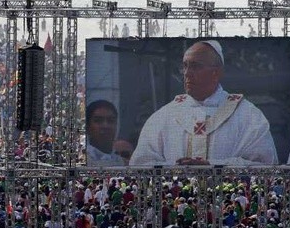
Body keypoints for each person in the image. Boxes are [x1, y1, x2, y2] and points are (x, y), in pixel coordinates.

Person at [129, 40, 278, 166]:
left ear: (216, 73)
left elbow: (264, 165)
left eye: (195, 66)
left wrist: (212, 167)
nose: (186, 73)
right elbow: (141, 164)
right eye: (185, 66)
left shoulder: (248, 115)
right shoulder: (163, 117)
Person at [85, 100, 125, 166]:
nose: (105, 126)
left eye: (111, 121)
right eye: (98, 121)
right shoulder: (80, 162)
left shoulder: (125, 164)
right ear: (87, 127)